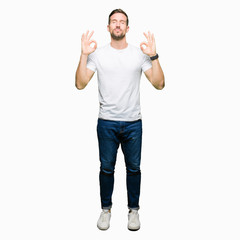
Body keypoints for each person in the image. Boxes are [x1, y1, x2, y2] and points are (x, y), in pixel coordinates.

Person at [75, 9, 165, 231]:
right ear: (108, 27)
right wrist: (84, 54)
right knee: (106, 168)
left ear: (127, 28)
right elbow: (80, 84)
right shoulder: (98, 55)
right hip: (107, 122)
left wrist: (153, 56)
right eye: (114, 22)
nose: (117, 25)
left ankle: (133, 211)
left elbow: (159, 84)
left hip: (133, 123)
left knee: (134, 169)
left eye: (122, 22)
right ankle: (105, 210)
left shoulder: (138, 54)